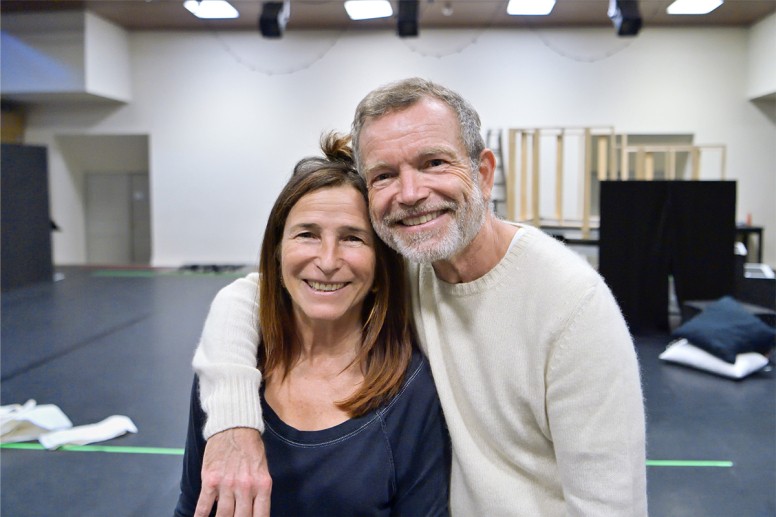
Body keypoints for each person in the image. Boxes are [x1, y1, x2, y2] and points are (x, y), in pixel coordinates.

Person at [192, 78, 648, 516]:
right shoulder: (408, 262)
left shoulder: (572, 304)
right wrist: (233, 421)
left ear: (483, 173)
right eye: (385, 175)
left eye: (433, 163)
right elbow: (257, 294)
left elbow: (610, 503)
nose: (411, 194)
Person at [175, 133, 451, 516]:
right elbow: (193, 506)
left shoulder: (411, 391)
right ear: (277, 251)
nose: (327, 260)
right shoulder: (228, 373)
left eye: (353, 238)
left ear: (380, 265)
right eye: (307, 235)